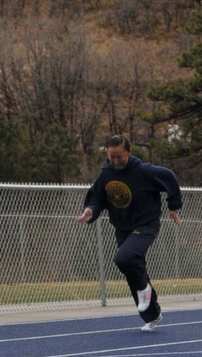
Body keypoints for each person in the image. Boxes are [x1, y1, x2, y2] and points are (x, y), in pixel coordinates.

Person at [77, 135, 183, 332]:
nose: (116, 161)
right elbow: (97, 199)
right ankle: (152, 315)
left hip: (146, 224)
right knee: (133, 267)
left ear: (129, 153)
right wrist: (90, 211)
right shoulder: (106, 174)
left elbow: (169, 176)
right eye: (112, 157)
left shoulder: (144, 171)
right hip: (123, 227)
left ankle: (144, 290)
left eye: (120, 157)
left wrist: (173, 206)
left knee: (124, 259)